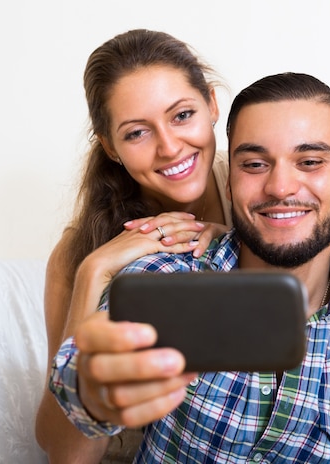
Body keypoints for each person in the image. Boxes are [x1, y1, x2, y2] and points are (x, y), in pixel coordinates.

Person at [48, 72, 330, 463]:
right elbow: (83, 375)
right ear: (228, 183)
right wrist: (92, 389)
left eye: (310, 161)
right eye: (255, 165)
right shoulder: (165, 279)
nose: (280, 187)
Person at [36, 29, 232, 463]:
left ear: (213, 105)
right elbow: (64, 453)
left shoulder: (258, 195)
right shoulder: (79, 253)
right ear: (110, 147)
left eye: (182, 115)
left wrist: (231, 238)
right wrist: (94, 272)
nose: (169, 147)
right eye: (137, 133)